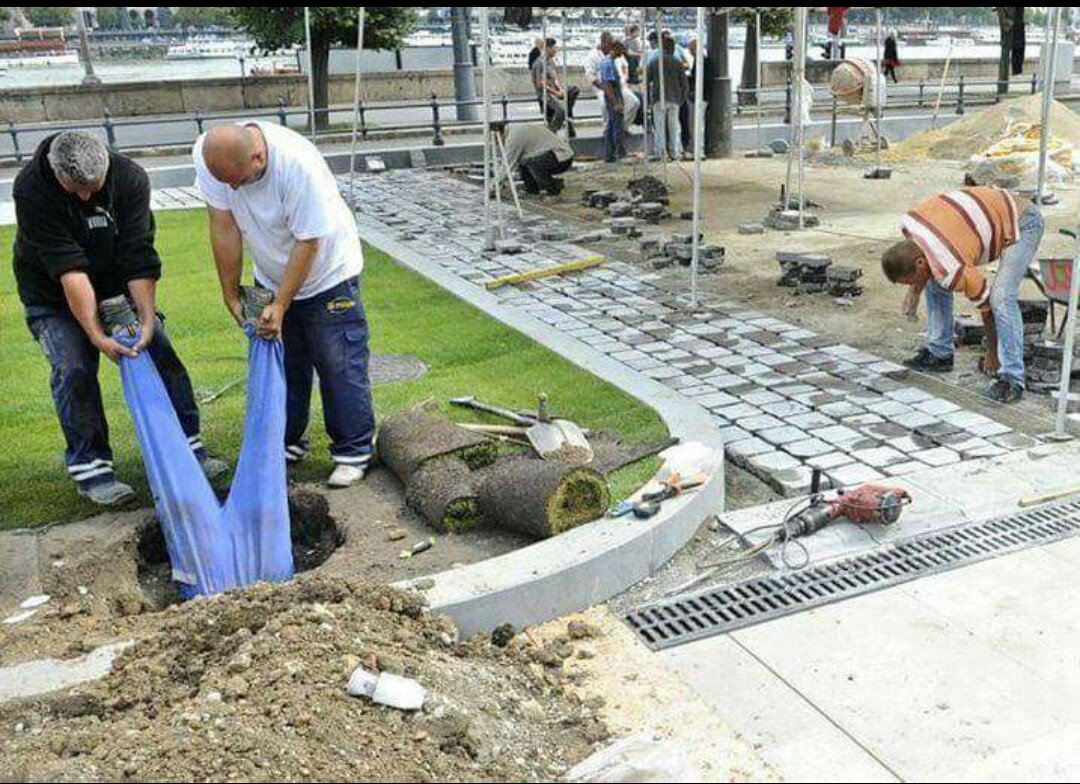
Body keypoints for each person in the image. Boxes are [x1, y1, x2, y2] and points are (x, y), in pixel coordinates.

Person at [13, 130, 226, 505]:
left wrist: (146, 321)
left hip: (117, 285)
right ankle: (92, 468)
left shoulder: (130, 178)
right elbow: (70, 269)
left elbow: (137, 253)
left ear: (107, 166)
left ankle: (189, 448)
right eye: (75, 188)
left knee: (159, 350)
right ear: (55, 172)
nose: (85, 197)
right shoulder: (32, 187)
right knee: (74, 366)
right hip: (53, 293)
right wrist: (96, 335)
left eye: (93, 188)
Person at [193, 123, 375, 487]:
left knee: (339, 363)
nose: (232, 190)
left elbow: (308, 242)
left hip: (328, 273)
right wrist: (230, 292)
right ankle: (287, 441)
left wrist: (282, 303)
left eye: (238, 182)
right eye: (226, 183)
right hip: (271, 272)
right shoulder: (211, 155)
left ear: (258, 157)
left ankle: (353, 450)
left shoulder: (298, 165)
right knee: (281, 365)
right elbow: (223, 224)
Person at [881, 186, 1044, 403]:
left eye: (909, 282)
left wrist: (991, 352)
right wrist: (914, 292)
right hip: (991, 215)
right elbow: (924, 261)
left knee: (1001, 298)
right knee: (935, 279)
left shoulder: (951, 264)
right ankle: (940, 354)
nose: (910, 286)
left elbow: (986, 307)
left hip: (1023, 223)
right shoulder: (911, 227)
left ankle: (1012, 377)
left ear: (919, 263)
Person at [492, 121, 574, 195]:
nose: (498, 143)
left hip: (561, 157)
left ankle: (553, 190)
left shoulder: (514, 137)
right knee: (523, 161)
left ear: (499, 133)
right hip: (555, 155)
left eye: (496, 140)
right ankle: (532, 190)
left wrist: (494, 186)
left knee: (533, 163)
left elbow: (507, 165)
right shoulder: (515, 129)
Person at [647, 37, 689, 160]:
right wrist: (682, 98)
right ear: (672, 48)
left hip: (658, 98)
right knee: (674, 127)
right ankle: (674, 152)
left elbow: (647, 79)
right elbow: (685, 84)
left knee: (659, 127)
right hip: (675, 98)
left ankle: (661, 153)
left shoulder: (654, 61)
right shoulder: (677, 62)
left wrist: (649, 99)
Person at [530, 37, 578, 136]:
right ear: (547, 48)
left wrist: (560, 89)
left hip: (554, 90)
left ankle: (567, 118)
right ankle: (552, 132)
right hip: (545, 94)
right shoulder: (539, 63)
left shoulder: (551, 62)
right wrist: (556, 92)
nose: (556, 50)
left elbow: (555, 78)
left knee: (573, 90)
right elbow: (540, 83)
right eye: (554, 48)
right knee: (561, 110)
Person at [598, 42, 626, 162]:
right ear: (615, 49)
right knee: (617, 126)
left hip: (612, 95)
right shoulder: (608, 64)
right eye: (621, 50)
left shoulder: (607, 62)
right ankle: (618, 153)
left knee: (611, 126)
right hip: (613, 96)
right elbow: (608, 85)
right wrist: (615, 103)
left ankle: (609, 154)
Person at [583, 32, 613, 139]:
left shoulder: (612, 53)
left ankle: (621, 127)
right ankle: (607, 131)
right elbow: (590, 75)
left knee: (633, 103)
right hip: (601, 86)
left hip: (614, 86)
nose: (611, 46)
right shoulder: (593, 56)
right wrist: (603, 88)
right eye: (609, 43)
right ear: (603, 42)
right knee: (605, 104)